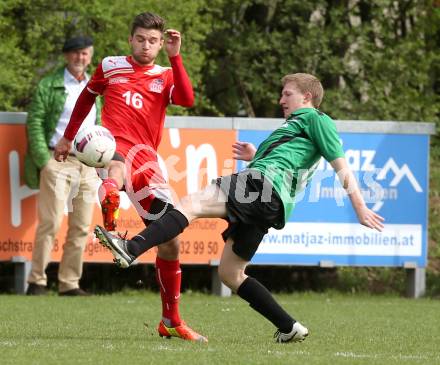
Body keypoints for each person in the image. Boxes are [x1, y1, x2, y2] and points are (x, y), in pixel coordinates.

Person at [94, 72, 385, 343]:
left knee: (189, 205)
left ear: (307, 97)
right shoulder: (298, 125)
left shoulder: (318, 119)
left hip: (261, 185)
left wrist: (359, 208)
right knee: (231, 274)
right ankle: (289, 327)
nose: (281, 100)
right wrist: (255, 154)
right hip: (271, 202)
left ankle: (131, 248)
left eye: (287, 94)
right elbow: (295, 161)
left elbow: (341, 166)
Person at [54, 13, 206, 342]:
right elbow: (86, 98)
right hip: (110, 146)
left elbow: (187, 100)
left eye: (153, 41)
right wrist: (68, 137)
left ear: (160, 41)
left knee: (170, 240)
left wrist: (176, 56)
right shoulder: (110, 66)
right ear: (130, 39)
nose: (146, 46)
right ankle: (111, 197)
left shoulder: (165, 75)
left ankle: (171, 320)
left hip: (147, 161)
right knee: (115, 163)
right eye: (141, 39)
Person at [25, 36, 101, 296]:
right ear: (67, 56)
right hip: (56, 159)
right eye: (76, 53)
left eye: (85, 54)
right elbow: (34, 121)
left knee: (81, 226)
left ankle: (69, 283)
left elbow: (97, 125)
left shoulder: (95, 86)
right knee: (51, 222)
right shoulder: (50, 84)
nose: (81, 58)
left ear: (90, 56)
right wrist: (42, 159)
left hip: (87, 162)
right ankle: (37, 281)